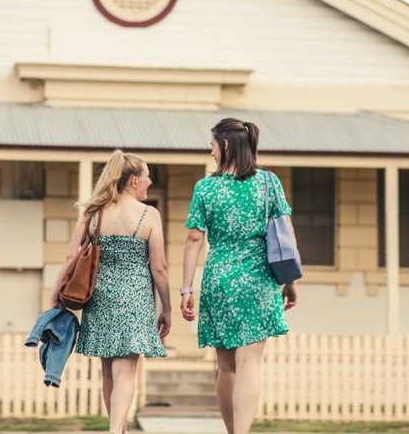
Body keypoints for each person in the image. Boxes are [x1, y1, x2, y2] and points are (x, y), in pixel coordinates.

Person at [180, 118, 299, 434]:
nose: (211, 153)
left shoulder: (206, 187)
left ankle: (232, 431)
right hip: (258, 279)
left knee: (226, 366)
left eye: (212, 146)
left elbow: (194, 239)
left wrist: (186, 288)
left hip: (219, 279)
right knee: (251, 362)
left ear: (226, 145)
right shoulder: (268, 183)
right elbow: (285, 233)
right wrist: (291, 280)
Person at [48, 150, 171, 434]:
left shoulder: (93, 213)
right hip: (135, 298)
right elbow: (160, 268)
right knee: (126, 370)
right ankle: (116, 431)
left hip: (99, 296)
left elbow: (70, 258)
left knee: (108, 370)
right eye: (147, 176)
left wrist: (55, 296)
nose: (150, 182)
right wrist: (167, 308)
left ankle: (118, 428)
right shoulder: (149, 215)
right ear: (133, 181)